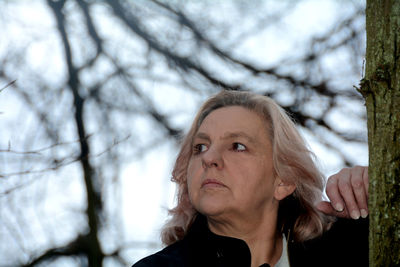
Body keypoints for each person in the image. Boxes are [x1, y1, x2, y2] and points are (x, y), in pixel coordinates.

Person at [133, 90, 368, 267]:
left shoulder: (347, 251)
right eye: (200, 147)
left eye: (237, 146)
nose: (209, 158)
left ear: (283, 181)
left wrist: (377, 199)